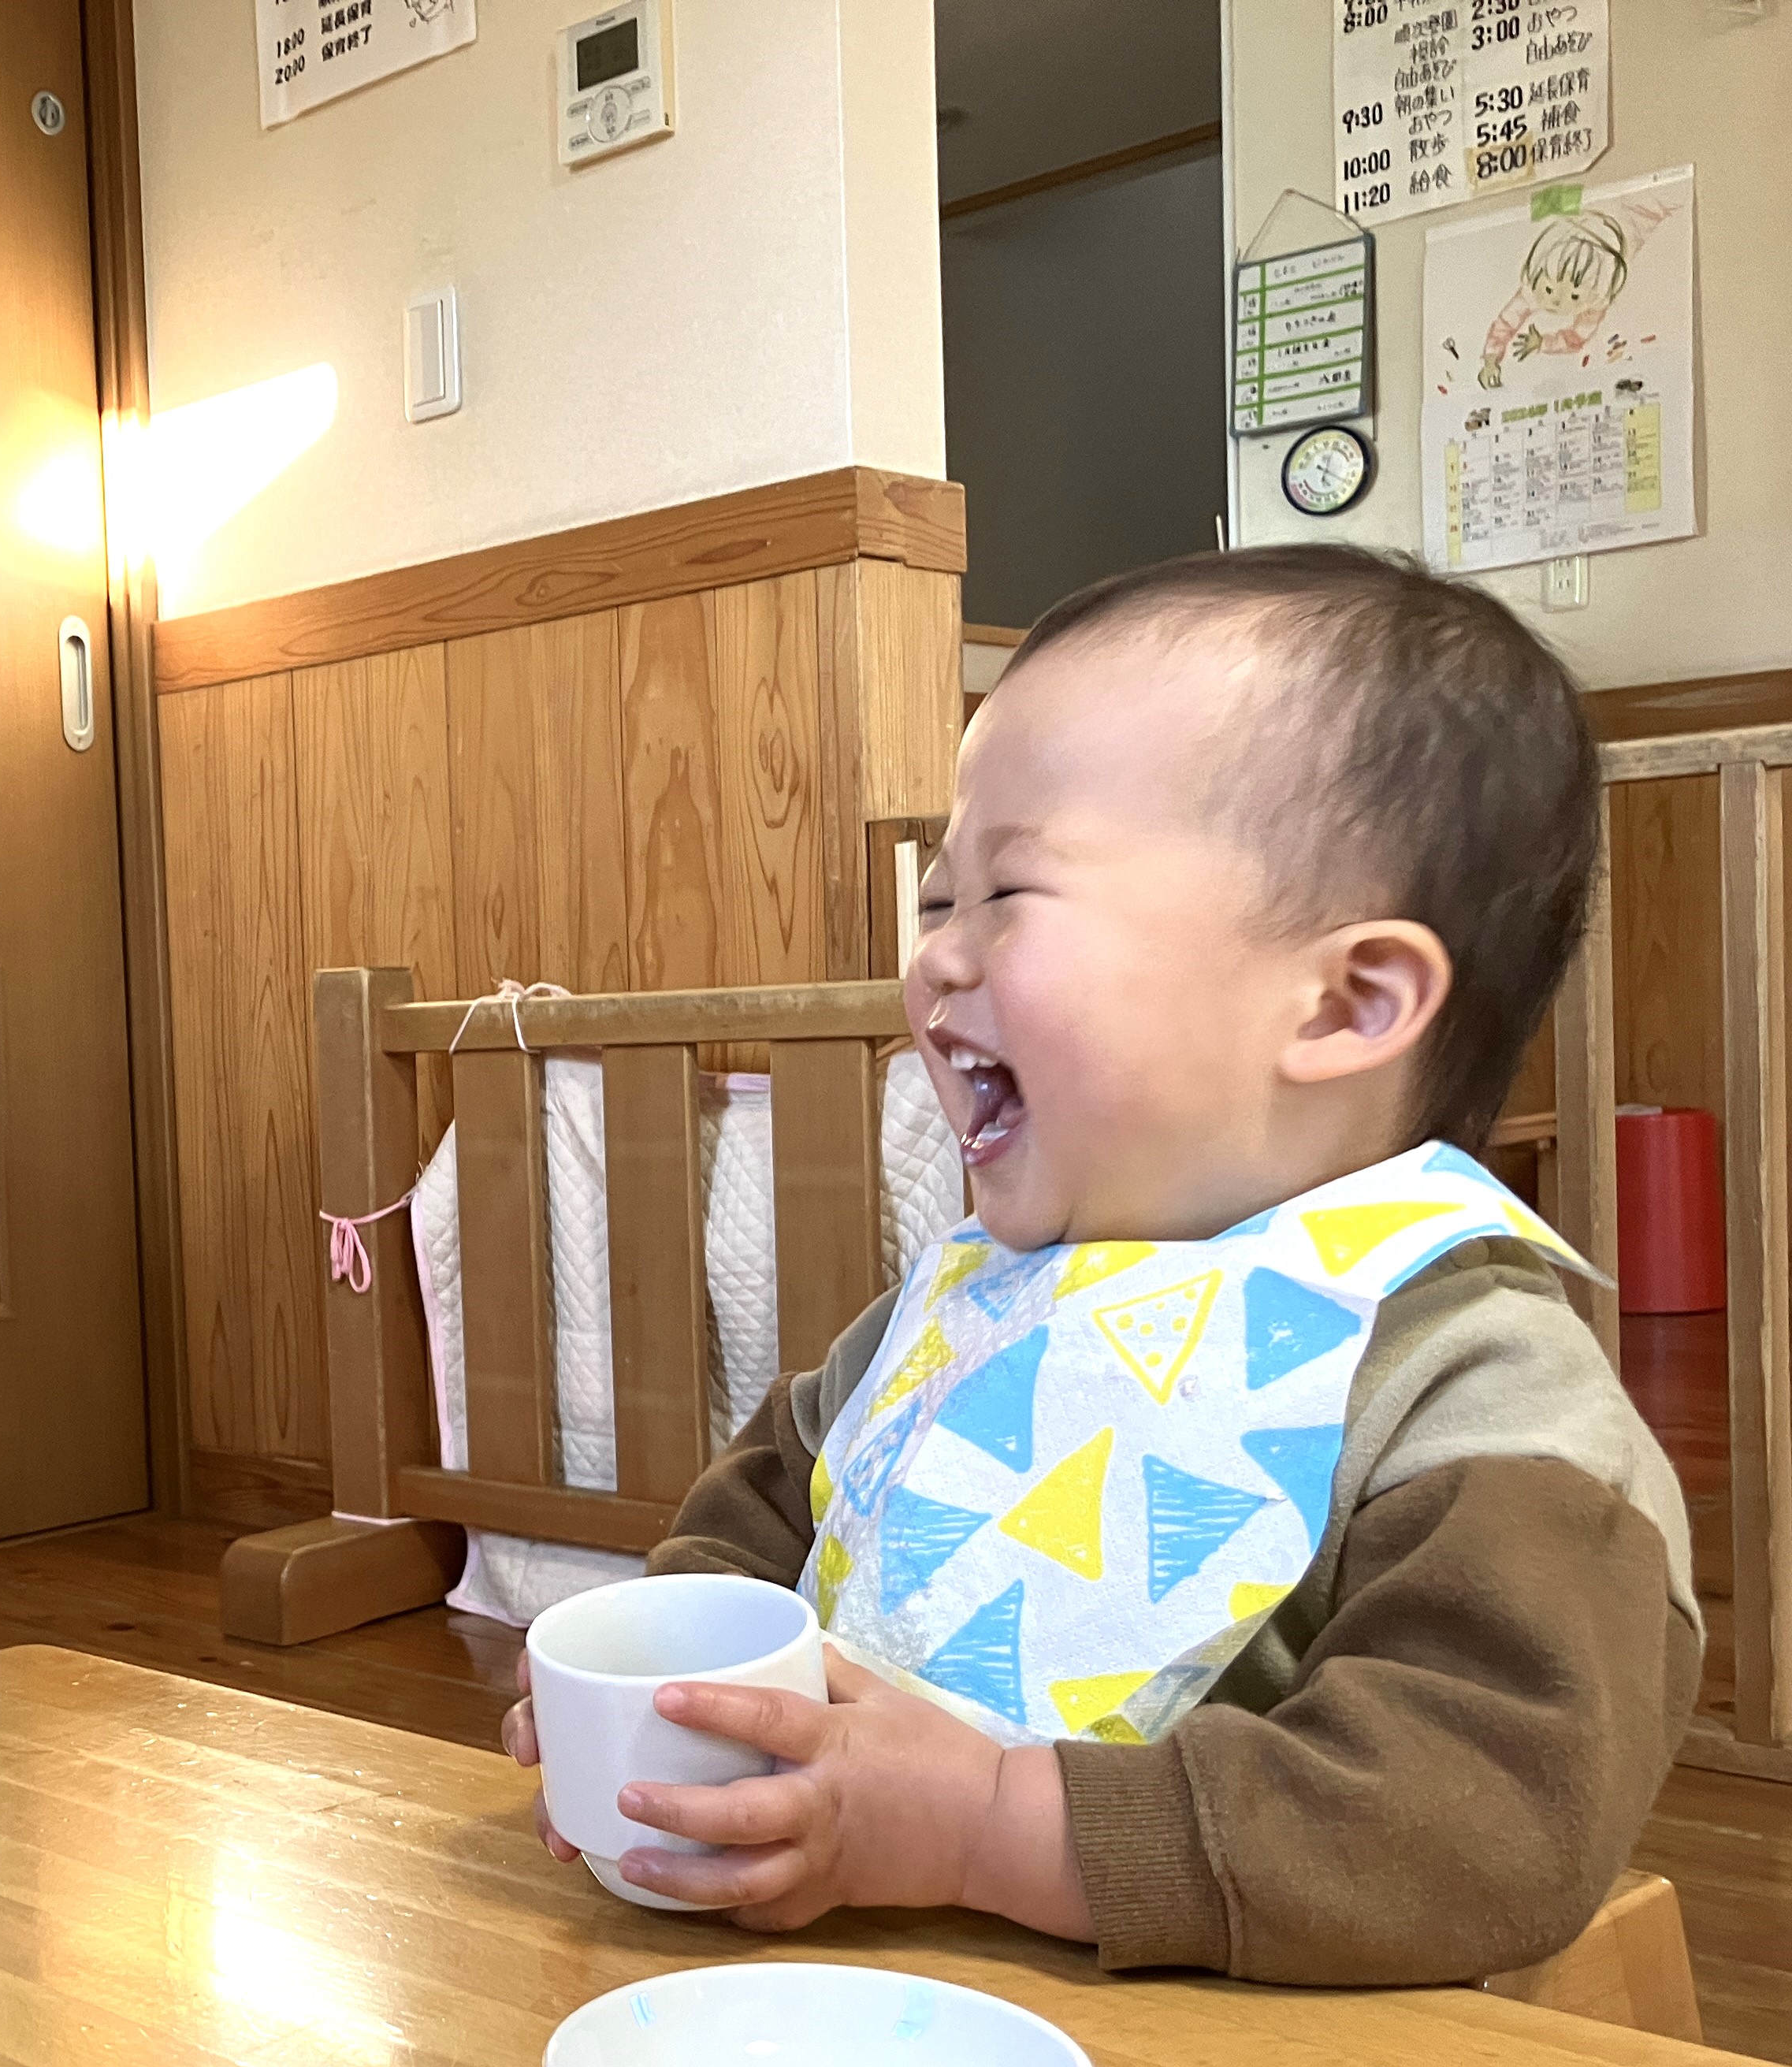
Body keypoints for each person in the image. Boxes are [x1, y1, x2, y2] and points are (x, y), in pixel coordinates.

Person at [503, 545, 1700, 1984]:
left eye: (1008, 895)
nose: (936, 957)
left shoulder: (1465, 1384)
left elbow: (1491, 1820)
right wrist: (680, 1681)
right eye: (940, 901)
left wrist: (986, 1826)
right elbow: (773, 1502)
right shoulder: (971, 1298)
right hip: (837, 1999)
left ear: (1345, 1002)